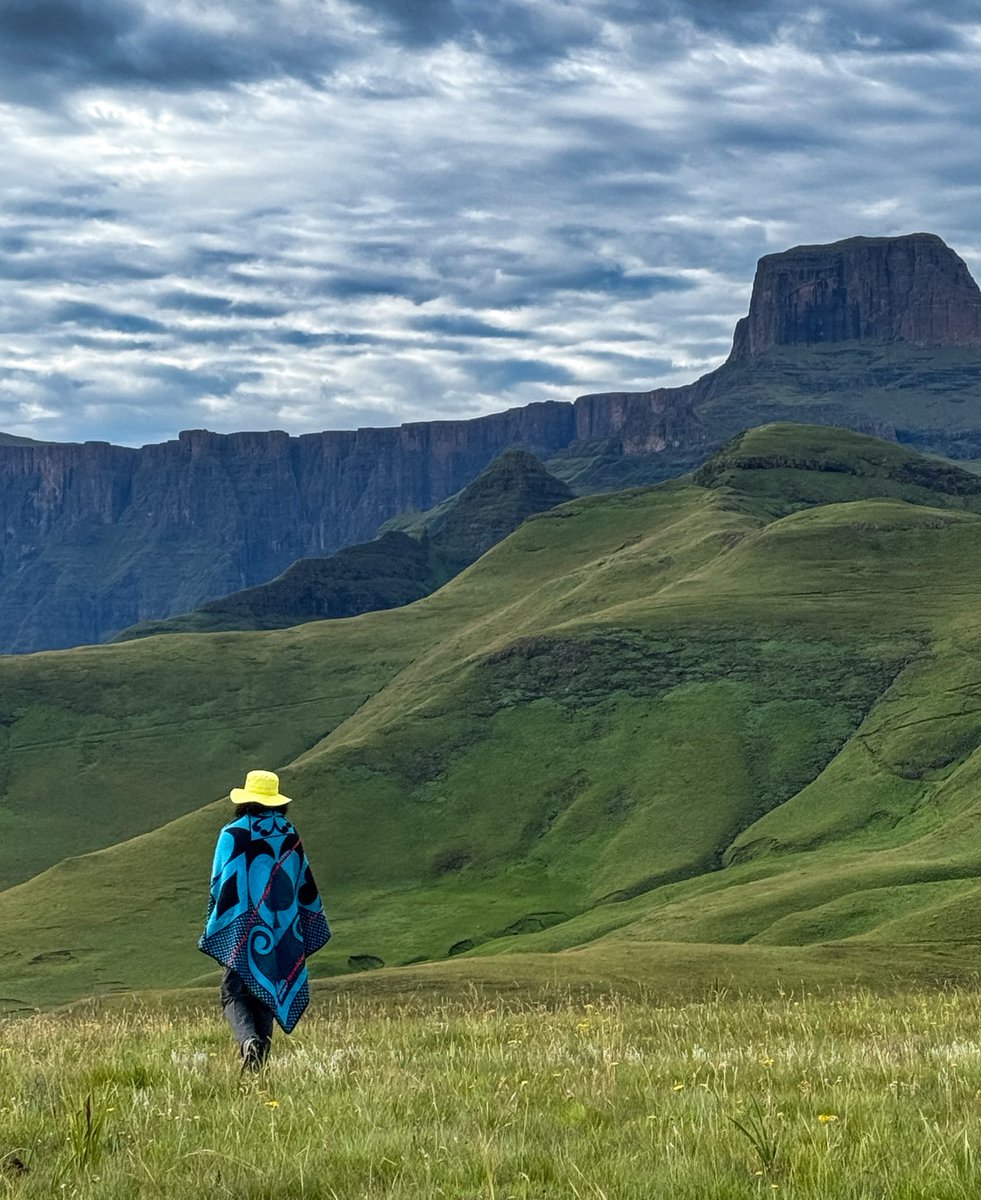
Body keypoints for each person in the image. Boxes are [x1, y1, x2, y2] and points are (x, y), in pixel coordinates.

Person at [199, 769, 331, 1070]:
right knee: (269, 989)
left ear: (246, 800)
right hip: (281, 926)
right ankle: (258, 1069)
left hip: (242, 926)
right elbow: (302, 883)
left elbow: (220, 884)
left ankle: (249, 1042)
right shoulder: (289, 834)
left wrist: (221, 925)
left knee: (232, 992)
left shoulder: (233, 834)